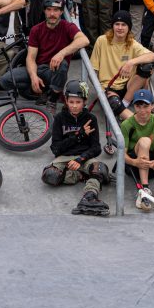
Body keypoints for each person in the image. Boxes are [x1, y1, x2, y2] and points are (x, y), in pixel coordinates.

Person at [0, 0, 87, 104]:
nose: (52, 14)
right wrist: (33, 77)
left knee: (63, 65)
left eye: (56, 10)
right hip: (39, 69)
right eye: (49, 9)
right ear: (44, 11)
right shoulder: (36, 30)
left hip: (54, 71)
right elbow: (30, 58)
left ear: (61, 12)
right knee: (5, 80)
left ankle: (52, 100)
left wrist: (61, 53)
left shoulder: (68, 27)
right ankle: (42, 93)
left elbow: (84, 40)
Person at [43, 79, 113, 216]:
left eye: (78, 102)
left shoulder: (90, 119)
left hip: (84, 157)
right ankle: (80, 175)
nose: (74, 106)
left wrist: (80, 159)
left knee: (100, 169)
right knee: (50, 175)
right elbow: (55, 149)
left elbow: (96, 148)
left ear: (85, 101)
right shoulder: (59, 118)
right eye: (71, 102)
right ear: (66, 101)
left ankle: (89, 197)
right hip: (64, 157)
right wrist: (79, 135)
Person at [91, 10, 154, 115]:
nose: (120, 28)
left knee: (147, 66)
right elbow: (93, 70)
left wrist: (131, 62)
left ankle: (124, 103)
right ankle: (134, 122)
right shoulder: (101, 41)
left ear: (129, 27)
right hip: (109, 87)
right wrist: (100, 90)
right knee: (115, 104)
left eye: (124, 25)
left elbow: (153, 56)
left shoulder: (133, 43)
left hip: (129, 87)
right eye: (117, 24)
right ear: (112, 26)